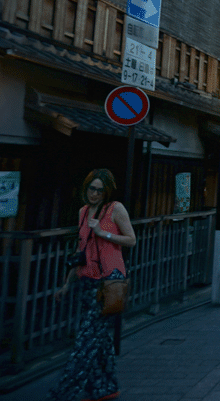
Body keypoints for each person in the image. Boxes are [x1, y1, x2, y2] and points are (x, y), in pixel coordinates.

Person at [48, 168, 136, 401]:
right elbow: (81, 249)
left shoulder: (115, 209)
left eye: (99, 190)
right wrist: (67, 283)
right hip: (87, 280)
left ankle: (65, 393)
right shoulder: (83, 211)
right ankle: (105, 388)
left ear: (106, 192)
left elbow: (131, 239)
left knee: (85, 341)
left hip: (108, 282)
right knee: (100, 339)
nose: (94, 194)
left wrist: (103, 233)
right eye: (91, 188)